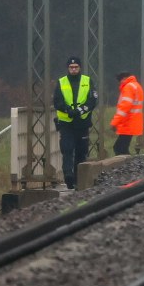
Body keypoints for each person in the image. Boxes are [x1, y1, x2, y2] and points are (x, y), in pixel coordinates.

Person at [53, 56, 99, 189]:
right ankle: (68, 175)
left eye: (76, 67)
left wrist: (79, 110)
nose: (73, 69)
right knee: (67, 149)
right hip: (66, 123)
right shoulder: (61, 82)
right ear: (68, 68)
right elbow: (57, 101)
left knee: (81, 151)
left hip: (82, 123)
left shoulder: (87, 81)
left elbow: (92, 100)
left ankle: (78, 178)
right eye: (71, 67)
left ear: (80, 68)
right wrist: (67, 110)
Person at [108, 72, 144, 156]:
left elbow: (124, 107)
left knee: (118, 148)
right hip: (133, 122)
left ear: (124, 78)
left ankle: (126, 167)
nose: (120, 83)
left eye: (120, 80)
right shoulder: (137, 86)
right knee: (123, 148)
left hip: (127, 123)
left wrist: (114, 123)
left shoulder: (128, 87)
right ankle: (128, 165)